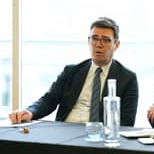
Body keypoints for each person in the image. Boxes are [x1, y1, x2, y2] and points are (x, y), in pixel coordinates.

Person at [9, 17, 139, 126]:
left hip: (99, 136)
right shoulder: (71, 71)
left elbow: (126, 121)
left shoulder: (128, 78)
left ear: (116, 45)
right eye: (94, 38)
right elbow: (49, 99)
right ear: (89, 41)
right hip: (66, 131)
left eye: (105, 40)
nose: (98, 44)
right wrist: (29, 112)